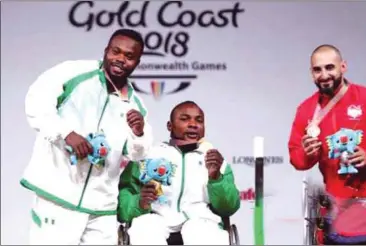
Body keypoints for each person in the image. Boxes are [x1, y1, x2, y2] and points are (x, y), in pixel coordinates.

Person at [21, 29, 153, 245]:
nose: (120, 59)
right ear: (106, 51)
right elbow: (36, 102)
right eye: (115, 51)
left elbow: (139, 153)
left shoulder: (135, 105)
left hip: (102, 208)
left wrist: (138, 133)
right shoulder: (75, 73)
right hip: (58, 197)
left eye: (129, 56)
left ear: (137, 61)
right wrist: (66, 134)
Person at [288, 45, 366, 237]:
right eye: (318, 70)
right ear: (311, 74)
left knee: (343, 232)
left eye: (330, 67)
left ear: (343, 67)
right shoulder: (306, 110)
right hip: (336, 201)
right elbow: (297, 158)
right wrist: (307, 153)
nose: (324, 75)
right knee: (330, 231)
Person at [118, 101, 240, 245]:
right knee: (145, 228)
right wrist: (140, 202)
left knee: (201, 230)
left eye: (199, 120)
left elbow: (228, 208)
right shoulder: (147, 155)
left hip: (201, 220)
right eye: (185, 119)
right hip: (155, 217)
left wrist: (216, 178)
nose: (193, 124)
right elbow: (122, 207)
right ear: (170, 126)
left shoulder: (215, 160)